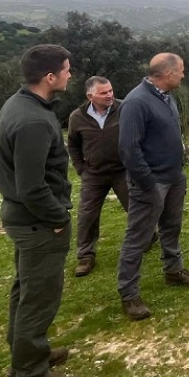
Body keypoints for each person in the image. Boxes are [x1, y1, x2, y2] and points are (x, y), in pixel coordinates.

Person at [0, 44, 80, 377]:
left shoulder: (21, 105)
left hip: (26, 220)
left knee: (25, 291)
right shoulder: (32, 120)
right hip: (38, 223)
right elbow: (31, 186)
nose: (70, 73)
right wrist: (58, 218)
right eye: (66, 69)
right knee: (39, 297)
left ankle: (26, 358)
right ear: (49, 77)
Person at [117, 53, 189, 321]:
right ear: (167, 74)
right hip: (151, 182)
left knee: (171, 226)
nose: (183, 75)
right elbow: (128, 148)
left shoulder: (167, 97)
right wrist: (148, 183)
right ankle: (129, 295)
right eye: (181, 71)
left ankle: (173, 270)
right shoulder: (136, 102)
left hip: (174, 177)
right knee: (138, 238)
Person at [68, 76, 129, 277]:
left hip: (123, 171)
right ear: (90, 95)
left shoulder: (125, 108)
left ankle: (147, 237)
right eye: (104, 92)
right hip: (93, 174)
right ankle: (85, 256)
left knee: (137, 207)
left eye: (111, 90)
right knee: (87, 215)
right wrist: (80, 168)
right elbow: (74, 145)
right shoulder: (77, 117)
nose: (110, 95)